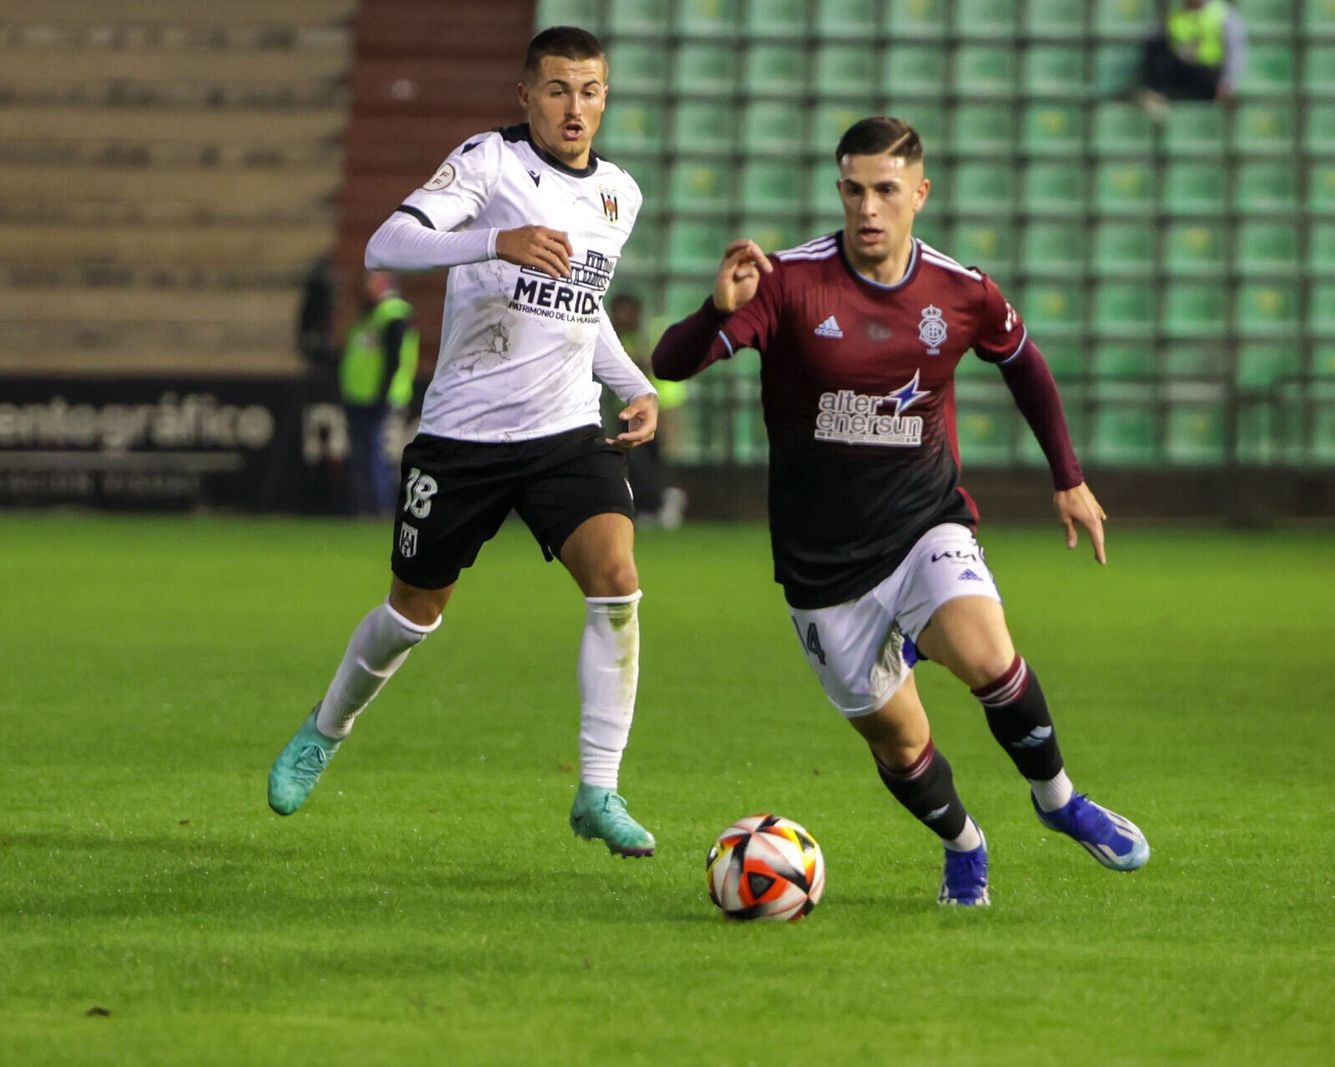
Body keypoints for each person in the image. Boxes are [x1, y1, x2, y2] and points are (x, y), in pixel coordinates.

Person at [651, 117, 1149, 906]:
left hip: (924, 525)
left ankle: (1059, 800)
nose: (868, 207)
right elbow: (671, 362)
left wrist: (1069, 476)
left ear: (920, 193)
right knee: (899, 739)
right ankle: (965, 844)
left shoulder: (961, 291)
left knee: (989, 655)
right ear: (839, 191)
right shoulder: (786, 281)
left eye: (886, 189)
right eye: (854, 190)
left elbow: (1024, 361)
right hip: (821, 564)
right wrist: (716, 310)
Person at [267, 26, 662, 857]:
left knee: (617, 581)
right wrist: (494, 240)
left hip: (564, 433)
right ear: (527, 95)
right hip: (464, 438)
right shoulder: (489, 162)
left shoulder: (619, 194)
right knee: (411, 615)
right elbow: (386, 243)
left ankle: (598, 788)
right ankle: (325, 728)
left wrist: (634, 384)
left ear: (606, 98)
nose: (575, 107)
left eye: (590, 90)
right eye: (557, 89)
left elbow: (583, 307)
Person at [339, 270, 418, 515]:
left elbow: (394, 360)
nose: (366, 286)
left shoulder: (393, 314)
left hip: (380, 397)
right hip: (359, 395)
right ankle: (365, 508)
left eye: (372, 280)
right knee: (364, 455)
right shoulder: (369, 314)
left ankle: (381, 508)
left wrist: (383, 394)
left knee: (378, 455)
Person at [608, 292, 688, 528]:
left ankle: (665, 499)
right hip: (629, 408)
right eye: (617, 311)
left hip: (663, 404)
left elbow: (653, 362)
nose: (621, 317)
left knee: (655, 457)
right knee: (637, 459)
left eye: (625, 310)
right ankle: (651, 504)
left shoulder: (652, 330)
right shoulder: (620, 335)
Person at [1135, 0, 1248, 121]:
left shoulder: (1223, 15)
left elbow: (1235, 53)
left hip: (1209, 74)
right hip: (1184, 70)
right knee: (1155, 45)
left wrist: (1227, 83)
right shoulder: (1176, 15)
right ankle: (1153, 94)